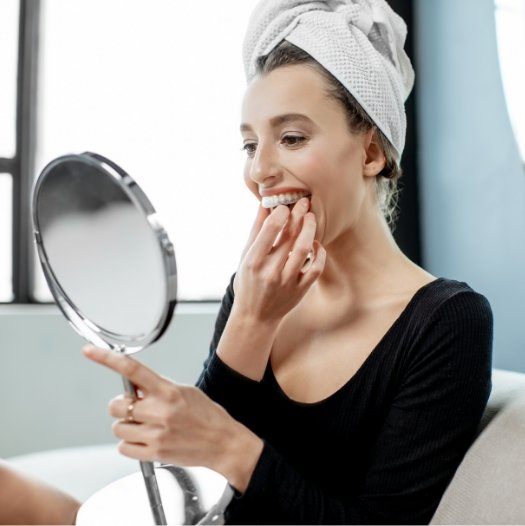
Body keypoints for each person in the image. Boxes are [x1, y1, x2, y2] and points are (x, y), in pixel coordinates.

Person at [80, 0, 491, 524]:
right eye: (250, 144)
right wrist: (253, 318)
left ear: (371, 153)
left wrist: (233, 448)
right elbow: (193, 490)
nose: (260, 171)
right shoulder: (253, 292)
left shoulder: (448, 321)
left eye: (291, 138)